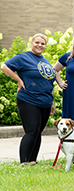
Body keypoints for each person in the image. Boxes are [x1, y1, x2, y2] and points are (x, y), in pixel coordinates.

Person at [1, 33, 56, 166]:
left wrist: (52, 102)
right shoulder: (23, 57)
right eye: (37, 42)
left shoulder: (44, 61)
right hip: (29, 99)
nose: (40, 45)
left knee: (38, 132)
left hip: (46, 101)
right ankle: (24, 162)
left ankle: (32, 161)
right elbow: (4, 67)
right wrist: (19, 80)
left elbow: (48, 82)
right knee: (31, 130)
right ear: (31, 43)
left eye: (42, 44)